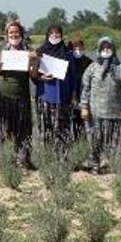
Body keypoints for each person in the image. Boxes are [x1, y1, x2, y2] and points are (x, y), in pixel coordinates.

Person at [80, 37, 121, 173]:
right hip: (95, 112)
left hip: (115, 113)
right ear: (99, 50)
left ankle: (116, 167)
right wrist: (84, 107)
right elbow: (85, 89)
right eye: (103, 48)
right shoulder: (92, 68)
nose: (106, 50)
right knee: (94, 140)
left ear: (113, 49)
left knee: (116, 142)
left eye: (109, 47)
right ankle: (95, 164)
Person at [0, 21, 37, 167]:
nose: (14, 35)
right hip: (2, 96)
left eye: (16, 32)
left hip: (21, 96)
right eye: (11, 32)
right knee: (1, 130)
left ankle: (22, 159)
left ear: (22, 34)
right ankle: (2, 160)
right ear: (6, 35)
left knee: (22, 130)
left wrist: (33, 62)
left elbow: (34, 75)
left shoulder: (29, 50)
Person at [34, 24, 78, 158]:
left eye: (57, 33)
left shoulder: (67, 53)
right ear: (47, 35)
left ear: (62, 36)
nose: (54, 36)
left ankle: (63, 157)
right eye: (51, 33)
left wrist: (73, 96)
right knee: (46, 128)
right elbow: (33, 75)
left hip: (63, 97)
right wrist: (41, 77)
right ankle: (47, 157)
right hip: (45, 96)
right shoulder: (40, 52)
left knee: (63, 129)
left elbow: (73, 76)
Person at [70, 37, 93, 140]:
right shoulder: (68, 62)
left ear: (83, 48)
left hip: (85, 98)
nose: (77, 49)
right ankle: (74, 143)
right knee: (73, 123)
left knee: (84, 122)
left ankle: (84, 142)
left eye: (79, 47)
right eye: (75, 47)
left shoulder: (89, 62)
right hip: (71, 98)